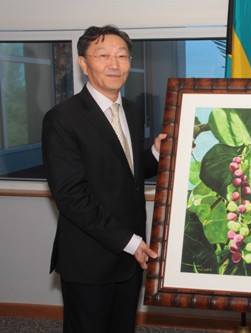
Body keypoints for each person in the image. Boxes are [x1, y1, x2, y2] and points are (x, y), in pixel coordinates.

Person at [42, 25, 166, 333]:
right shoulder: (62, 118)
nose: (114, 64)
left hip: (130, 259)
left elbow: (125, 172)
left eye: (122, 55)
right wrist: (131, 241)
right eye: (103, 55)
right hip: (90, 261)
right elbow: (71, 196)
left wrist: (153, 152)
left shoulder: (134, 111)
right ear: (84, 63)